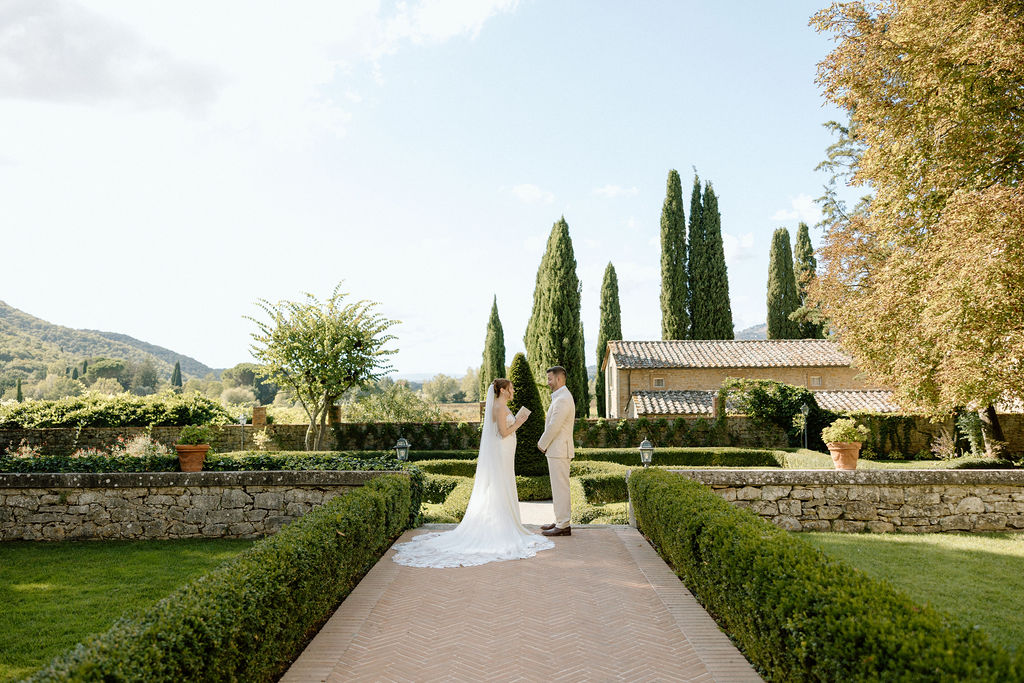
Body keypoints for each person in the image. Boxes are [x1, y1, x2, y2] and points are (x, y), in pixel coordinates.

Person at [392, 378, 555, 568]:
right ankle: (501, 526)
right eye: (510, 388)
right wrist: (519, 422)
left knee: (503, 484)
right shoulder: (499, 407)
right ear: (502, 390)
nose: (513, 391)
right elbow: (503, 432)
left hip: (506, 451)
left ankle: (505, 522)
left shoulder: (501, 406)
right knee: (501, 485)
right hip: (502, 450)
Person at [537, 365, 576, 536]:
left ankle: (563, 524)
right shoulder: (560, 397)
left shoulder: (563, 399)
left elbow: (554, 425)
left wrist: (542, 443)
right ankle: (560, 520)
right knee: (558, 487)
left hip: (559, 450)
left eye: (550, 379)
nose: (548, 382)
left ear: (559, 379)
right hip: (557, 450)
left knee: (561, 488)